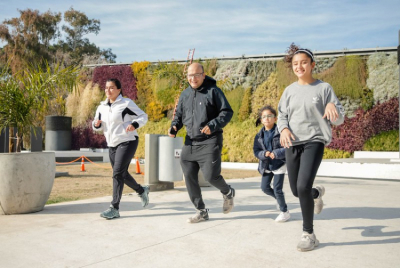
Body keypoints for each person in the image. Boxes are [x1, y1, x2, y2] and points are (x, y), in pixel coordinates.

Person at [277, 44, 345, 251]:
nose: (299, 66)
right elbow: (282, 116)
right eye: (296, 64)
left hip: (314, 141)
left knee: (302, 186)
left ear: (312, 65)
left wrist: (332, 106)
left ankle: (309, 234)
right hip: (292, 143)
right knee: (297, 191)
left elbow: (339, 120)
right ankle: (316, 194)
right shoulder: (289, 91)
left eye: (303, 62)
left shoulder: (324, 89)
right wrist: (283, 130)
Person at [168, 62, 235, 223]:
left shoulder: (213, 91)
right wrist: (174, 126)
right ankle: (201, 210)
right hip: (190, 143)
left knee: (211, 176)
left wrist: (212, 125)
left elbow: (227, 112)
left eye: (196, 75)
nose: (193, 78)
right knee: (189, 176)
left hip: (210, 141)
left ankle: (227, 192)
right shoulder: (185, 95)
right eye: (190, 75)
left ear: (203, 75)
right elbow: (178, 116)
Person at [92, 78, 149, 219]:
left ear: (118, 90)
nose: (108, 91)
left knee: (117, 173)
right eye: (106, 88)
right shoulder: (101, 107)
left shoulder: (126, 103)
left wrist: (134, 125)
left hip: (128, 141)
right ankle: (141, 190)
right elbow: (96, 125)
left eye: (111, 88)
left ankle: (114, 208)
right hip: (112, 144)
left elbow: (143, 116)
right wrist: (97, 125)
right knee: (121, 174)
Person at [253, 105, 289, 222]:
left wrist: (276, 153)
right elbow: (256, 151)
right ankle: (279, 199)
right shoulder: (259, 136)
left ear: (275, 118)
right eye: (264, 117)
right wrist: (264, 154)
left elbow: (287, 147)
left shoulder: (281, 132)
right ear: (261, 120)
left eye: (270, 116)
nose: (267, 118)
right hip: (266, 165)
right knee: (264, 187)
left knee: (277, 189)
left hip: (279, 164)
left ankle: (284, 212)